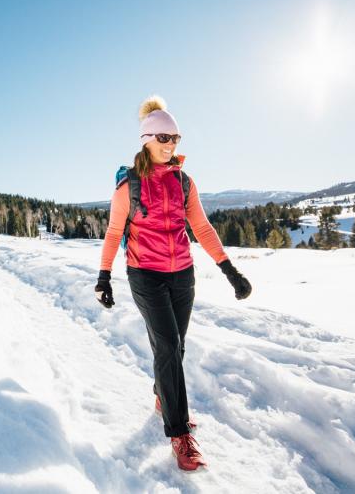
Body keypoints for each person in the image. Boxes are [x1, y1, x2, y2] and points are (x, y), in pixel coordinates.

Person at [94, 94, 252, 471]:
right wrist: (103, 276)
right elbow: (115, 231)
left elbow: (201, 227)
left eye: (176, 138)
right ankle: (179, 433)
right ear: (147, 139)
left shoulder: (184, 182)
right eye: (164, 138)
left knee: (175, 348)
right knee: (167, 345)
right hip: (145, 274)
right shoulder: (129, 186)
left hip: (182, 273)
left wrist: (230, 270)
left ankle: (163, 395)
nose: (171, 145)